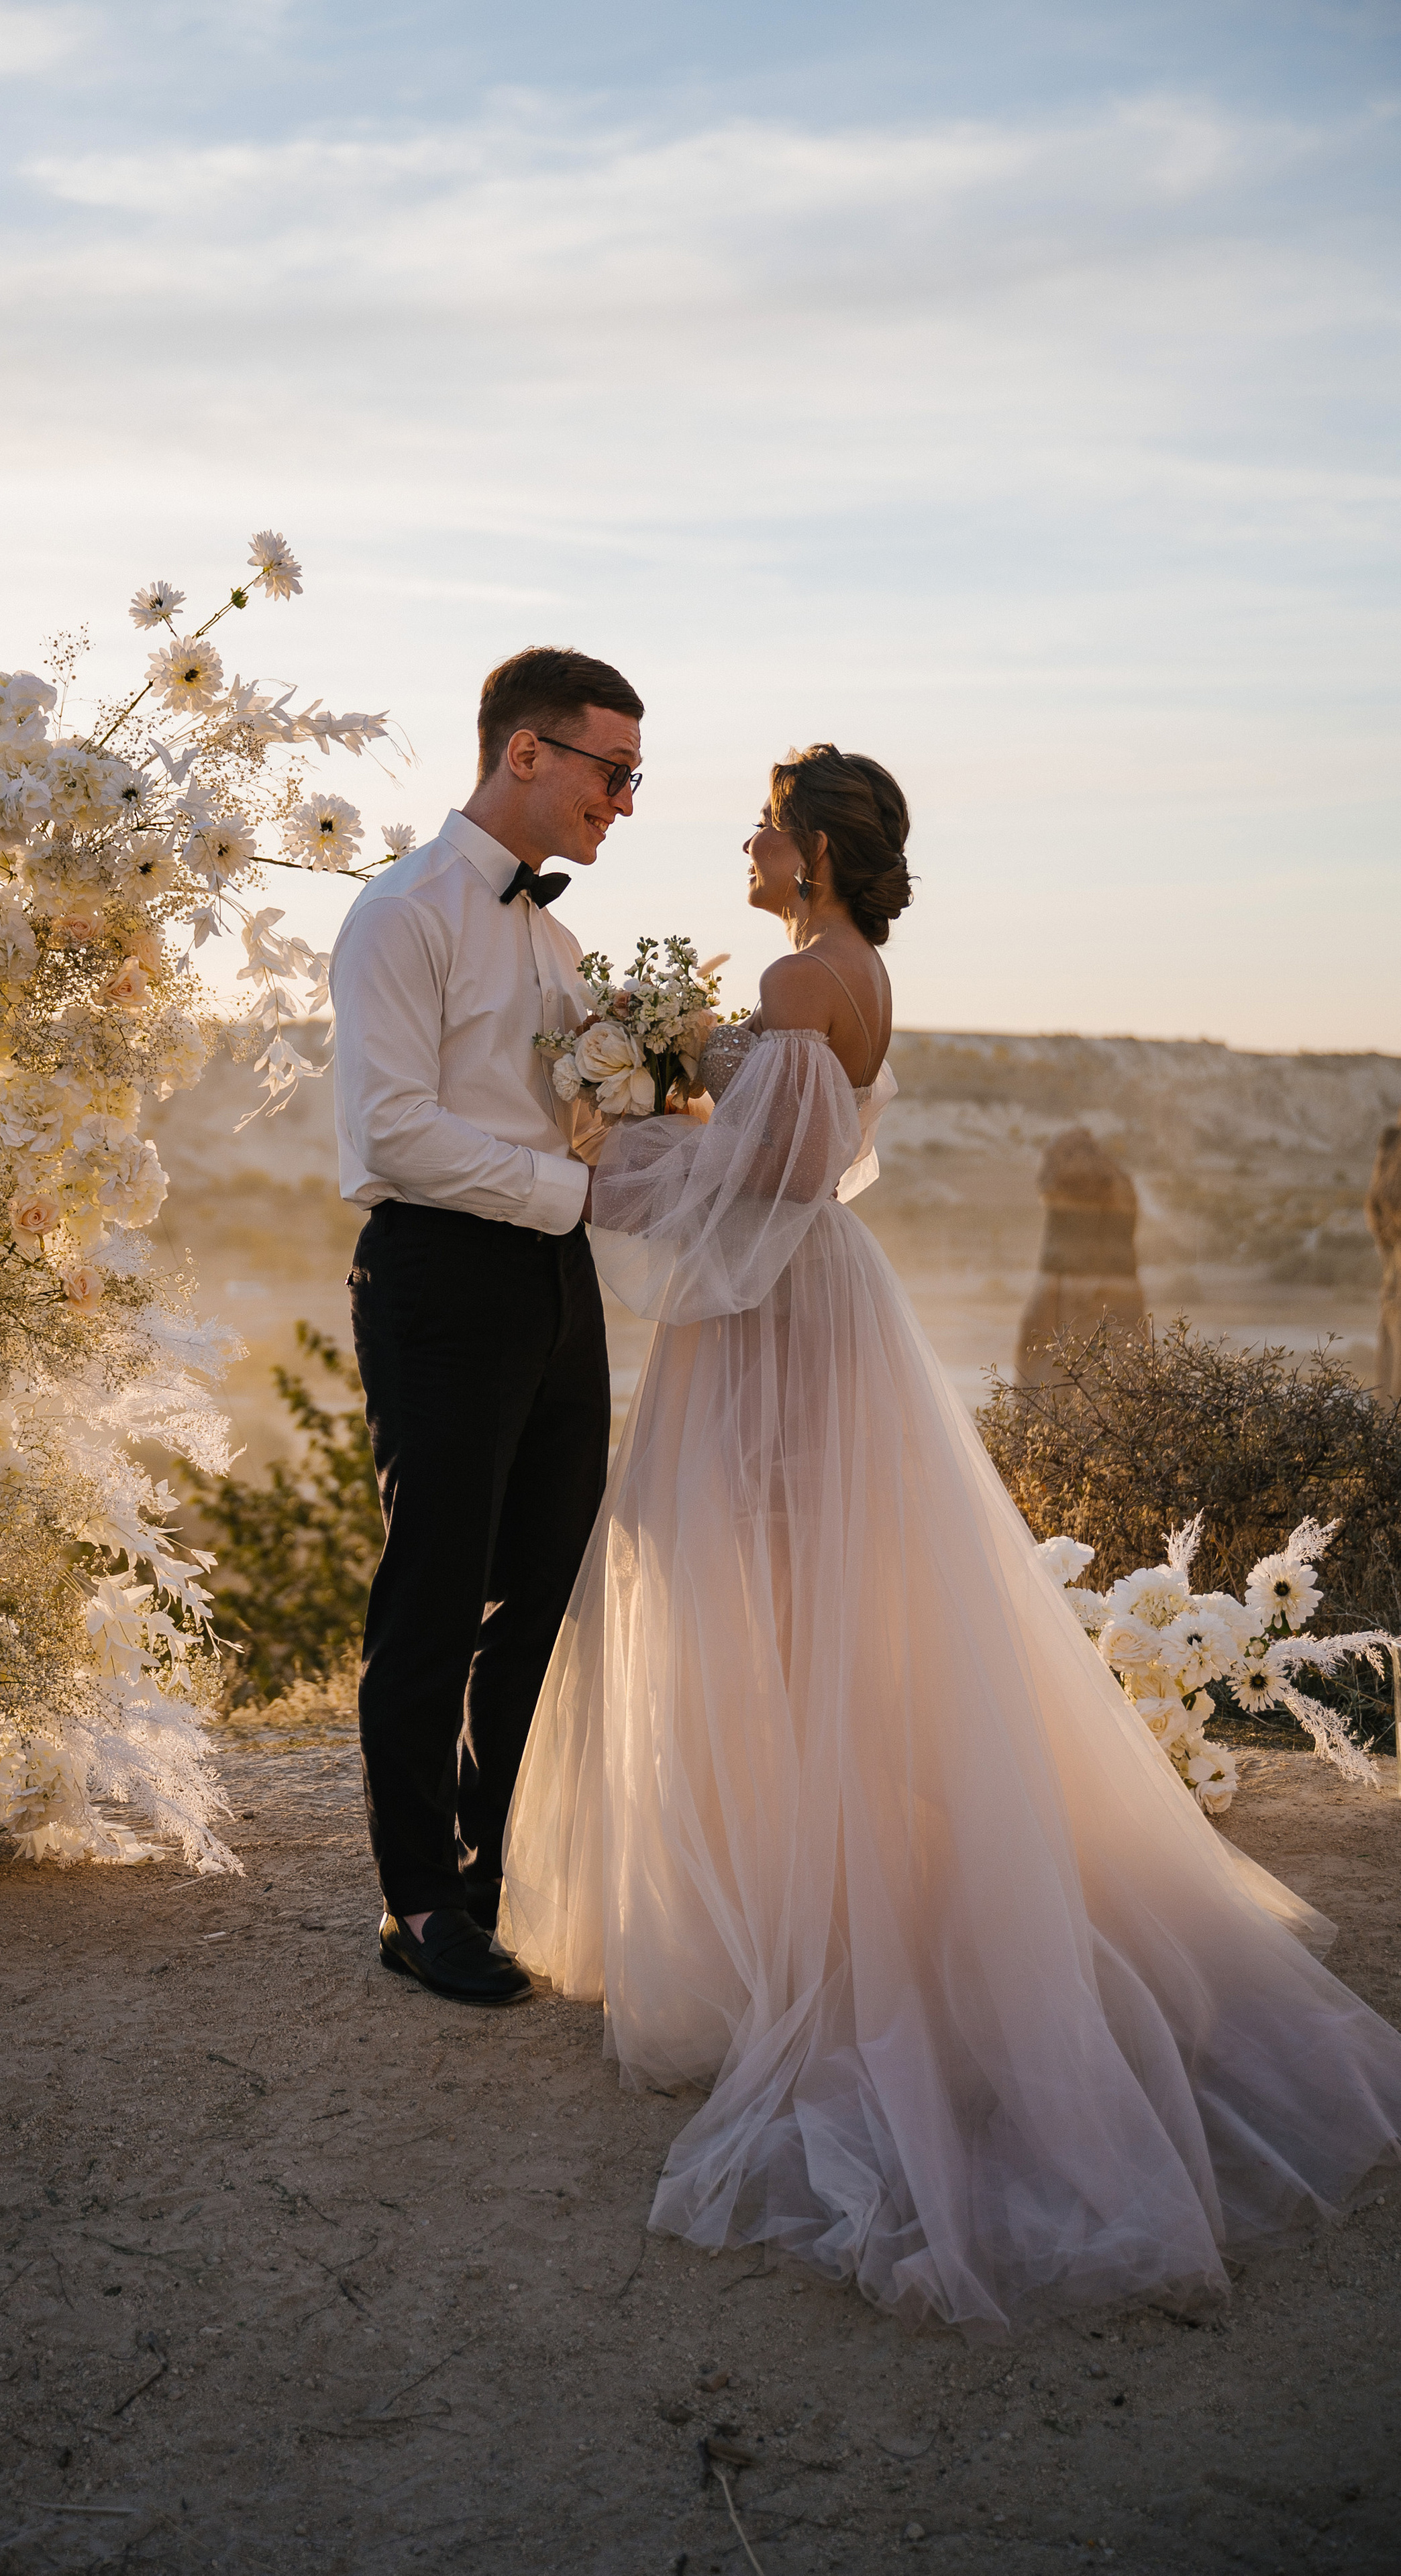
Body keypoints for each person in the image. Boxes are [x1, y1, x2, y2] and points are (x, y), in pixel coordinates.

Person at [501, 741, 1401, 2335]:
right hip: (815, 1306)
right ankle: (811, 1896)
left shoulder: (800, 986)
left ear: (821, 855)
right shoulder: (850, 975)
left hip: (777, 1318)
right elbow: (809, 1157)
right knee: (817, 1607)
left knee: (761, 1606)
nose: (745, 844)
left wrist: (615, 1150)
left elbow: (765, 1181)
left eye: (766, 829)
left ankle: (816, 1928)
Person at [329, 646, 643, 2005]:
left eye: (633, 778)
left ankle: (491, 1873)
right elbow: (389, 1132)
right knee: (435, 1597)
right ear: (525, 752)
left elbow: (597, 1110)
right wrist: (568, 1189)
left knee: (544, 1600)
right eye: (609, 770)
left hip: (555, 1289)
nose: (621, 801)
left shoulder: (556, 939)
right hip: (442, 1281)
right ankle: (412, 1906)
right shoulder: (401, 914)